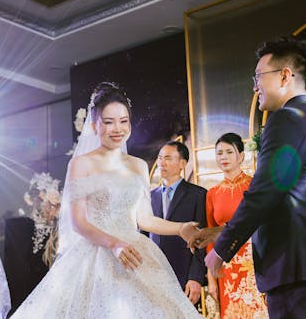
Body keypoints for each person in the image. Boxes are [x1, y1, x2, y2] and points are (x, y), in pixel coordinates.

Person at [190, 36, 306, 318]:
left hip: (297, 272)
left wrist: (222, 249)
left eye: (258, 76)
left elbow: (265, 193)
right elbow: (294, 198)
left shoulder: (285, 120)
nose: (255, 86)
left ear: (285, 75)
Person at [11, 82, 201, 318]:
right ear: (94, 125)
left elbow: (145, 219)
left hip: (134, 252)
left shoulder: (139, 166)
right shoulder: (82, 163)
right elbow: (79, 221)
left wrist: (181, 228)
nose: (117, 128)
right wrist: (113, 243)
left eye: (123, 121)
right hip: (95, 254)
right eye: (109, 122)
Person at [204, 133, 268, 318]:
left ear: (241, 156)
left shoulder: (255, 186)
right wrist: (211, 277)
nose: (223, 157)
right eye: (219, 153)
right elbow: (210, 239)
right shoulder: (212, 194)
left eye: (229, 152)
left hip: (255, 261)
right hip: (226, 265)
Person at [144, 141, 206, 305]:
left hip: (184, 275)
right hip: (154, 276)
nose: (161, 163)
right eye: (160, 158)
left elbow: (203, 241)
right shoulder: (148, 197)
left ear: (182, 163)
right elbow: (142, 237)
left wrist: (195, 278)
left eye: (168, 158)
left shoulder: (198, 195)